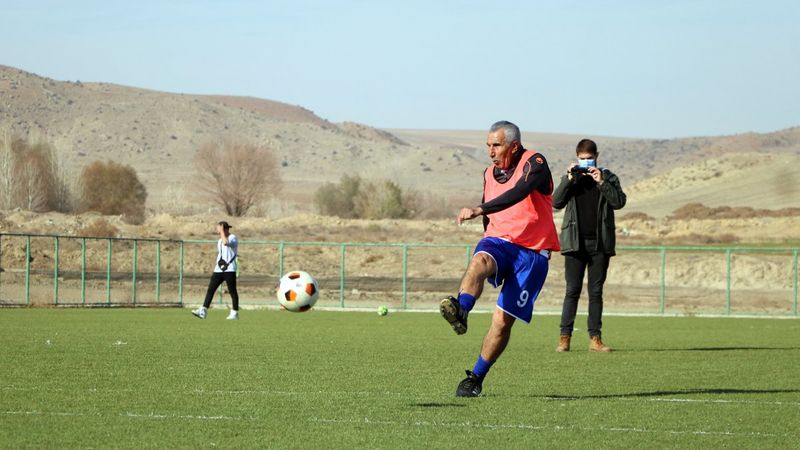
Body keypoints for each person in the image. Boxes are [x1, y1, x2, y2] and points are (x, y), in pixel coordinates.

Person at [439, 120, 560, 397]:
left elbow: (518, 193)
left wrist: (479, 209)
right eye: (488, 145)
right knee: (479, 260)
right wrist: (485, 236)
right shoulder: (488, 173)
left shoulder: (536, 163)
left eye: (497, 145)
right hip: (500, 242)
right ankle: (462, 310)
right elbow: (492, 215)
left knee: (502, 321)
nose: (491, 151)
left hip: (532, 253)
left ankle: (476, 378)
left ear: (514, 146)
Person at [552, 139, 626, 352]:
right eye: (582, 159)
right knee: (572, 290)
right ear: (577, 157)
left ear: (597, 156)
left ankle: (595, 339)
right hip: (575, 243)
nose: (585, 163)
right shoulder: (572, 177)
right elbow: (556, 203)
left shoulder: (608, 177)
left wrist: (602, 182)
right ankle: (564, 338)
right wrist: (568, 180)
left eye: (589, 159)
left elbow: (619, 202)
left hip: (600, 244)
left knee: (596, 292)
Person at [192, 221, 240, 320]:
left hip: (230, 269)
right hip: (219, 269)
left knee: (232, 291)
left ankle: (234, 313)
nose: (217, 230)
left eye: (219, 228)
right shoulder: (219, 241)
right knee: (211, 289)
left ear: (225, 229)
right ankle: (203, 310)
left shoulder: (232, 238)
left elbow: (226, 243)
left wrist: (222, 232)